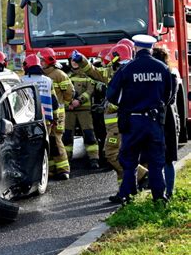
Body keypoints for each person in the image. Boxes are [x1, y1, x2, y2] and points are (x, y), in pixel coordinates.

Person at [106, 34, 172, 204]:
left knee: (129, 160)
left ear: (135, 48)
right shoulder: (162, 68)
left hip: (133, 121)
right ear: (150, 49)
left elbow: (112, 95)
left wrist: (127, 103)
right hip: (154, 121)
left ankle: (128, 194)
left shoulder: (127, 69)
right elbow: (168, 96)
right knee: (156, 161)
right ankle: (159, 197)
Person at [73, 45, 149, 186]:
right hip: (116, 124)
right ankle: (124, 190)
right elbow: (93, 71)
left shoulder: (127, 72)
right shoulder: (112, 71)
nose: (122, 66)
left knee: (112, 154)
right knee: (121, 155)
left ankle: (143, 175)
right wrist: (81, 60)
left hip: (121, 123)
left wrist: (113, 105)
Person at [38, 47, 75, 180]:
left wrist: (63, 103)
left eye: (42, 60)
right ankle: (52, 169)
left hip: (57, 114)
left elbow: (69, 92)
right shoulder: (40, 74)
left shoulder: (58, 74)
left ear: (49, 60)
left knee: (56, 140)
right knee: (49, 141)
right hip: (45, 114)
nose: (40, 62)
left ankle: (64, 169)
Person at [63, 53, 100, 169]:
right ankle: (66, 159)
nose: (73, 62)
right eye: (71, 60)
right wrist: (69, 102)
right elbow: (62, 91)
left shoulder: (88, 75)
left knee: (89, 134)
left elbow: (90, 90)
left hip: (84, 110)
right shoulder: (66, 76)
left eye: (75, 60)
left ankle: (94, 158)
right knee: (67, 136)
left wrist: (79, 101)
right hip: (69, 110)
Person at [152, 46, 179, 198]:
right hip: (168, 120)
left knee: (159, 159)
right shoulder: (171, 75)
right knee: (168, 160)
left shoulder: (164, 76)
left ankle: (163, 192)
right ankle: (169, 192)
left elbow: (168, 99)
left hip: (160, 119)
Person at [21, 54, 59, 133]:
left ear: (26, 66)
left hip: (27, 120)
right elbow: (54, 102)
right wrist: (55, 118)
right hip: (46, 120)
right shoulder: (48, 80)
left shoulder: (22, 81)